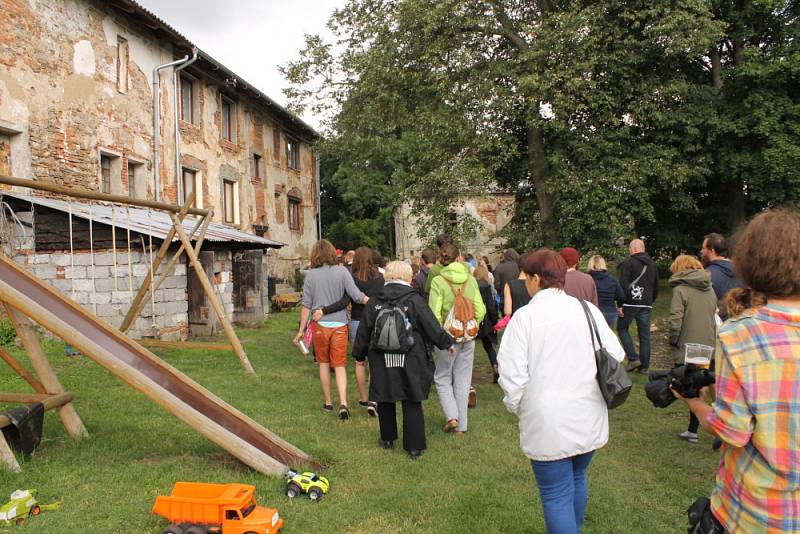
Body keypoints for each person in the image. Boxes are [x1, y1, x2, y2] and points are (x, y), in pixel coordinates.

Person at [672, 209, 800, 533]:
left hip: (754, 512)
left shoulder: (740, 334)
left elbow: (732, 429)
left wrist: (694, 402)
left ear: (753, 261)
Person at [498, 249, 624, 534]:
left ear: (536, 279)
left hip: (548, 418)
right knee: (577, 477)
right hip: (588, 410)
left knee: (556, 492)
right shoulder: (586, 309)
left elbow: (512, 374)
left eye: (526, 277)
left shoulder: (525, 318)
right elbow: (616, 352)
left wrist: (518, 405)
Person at [352, 261, 453, 459]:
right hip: (410, 354)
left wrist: (359, 354)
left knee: (385, 395)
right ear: (408, 277)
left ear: (387, 277)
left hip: (381, 355)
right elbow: (429, 324)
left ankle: (387, 438)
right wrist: (445, 342)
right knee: (411, 397)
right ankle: (414, 446)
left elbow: (365, 328)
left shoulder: (375, 300)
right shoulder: (414, 300)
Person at [294, 239, 367, 420]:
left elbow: (306, 306)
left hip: (320, 326)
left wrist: (301, 330)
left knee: (324, 364)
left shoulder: (310, 275)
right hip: (340, 325)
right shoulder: (342, 271)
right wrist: (374, 301)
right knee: (340, 365)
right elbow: (356, 296)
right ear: (332, 253)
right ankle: (343, 402)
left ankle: (328, 402)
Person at [316, 246, 384, 417]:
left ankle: (363, 398)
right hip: (377, 320)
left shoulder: (352, 278)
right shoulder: (380, 278)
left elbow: (345, 300)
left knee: (360, 362)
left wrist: (325, 310)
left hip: (357, 321)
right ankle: (374, 399)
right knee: (376, 361)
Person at [428, 243, 486, 434]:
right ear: (459, 257)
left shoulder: (438, 281)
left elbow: (434, 313)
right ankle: (462, 427)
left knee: (443, 377)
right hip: (467, 338)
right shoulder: (470, 280)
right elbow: (480, 309)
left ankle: (452, 417)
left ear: (440, 259)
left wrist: (442, 337)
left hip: (447, 338)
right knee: (463, 379)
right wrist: (471, 326)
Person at [667, 254, 717, 445]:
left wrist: (674, 340)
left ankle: (699, 430)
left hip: (689, 345)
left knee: (690, 389)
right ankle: (695, 429)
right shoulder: (710, 289)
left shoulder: (681, 290)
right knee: (701, 386)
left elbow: (675, 319)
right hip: (707, 343)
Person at [618, 239, 659, 374]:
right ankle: (644, 366)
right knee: (645, 335)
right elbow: (656, 286)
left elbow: (623, 285)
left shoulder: (628, 264)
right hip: (646, 303)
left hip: (630, 302)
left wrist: (620, 304)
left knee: (622, 328)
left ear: (634, 249)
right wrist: (650, 300)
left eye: (630, 248)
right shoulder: (652, 265)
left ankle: (633, 358)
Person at [700, 232, 743, 320]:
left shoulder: (707, 275)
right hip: (741, 325)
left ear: (712, 250)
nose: (701, 251)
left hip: (719, 328)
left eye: (703, 248)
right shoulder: (742, 272)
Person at [474, 260, 499, 382]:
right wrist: (495, 322)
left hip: (473, 319)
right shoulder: (487, 287)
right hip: (486, 321)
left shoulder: (472, 286)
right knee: (488, 346)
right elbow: (491, 306)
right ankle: (495, 365)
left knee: (469, 347)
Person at [588, 255, 624, 327]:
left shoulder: (588, 279)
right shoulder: (612, 279)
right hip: (610, 312)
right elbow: (621, 296)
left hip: (593, 311)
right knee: (607, 335)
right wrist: (620, 306)